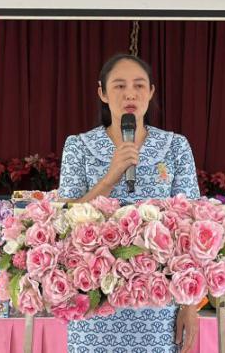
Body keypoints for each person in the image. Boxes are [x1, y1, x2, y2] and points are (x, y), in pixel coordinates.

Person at [58, 54, 201, 353]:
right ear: (102, 93)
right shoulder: (78, 146)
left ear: (151, 92)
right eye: (119, 86)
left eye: (139, 85)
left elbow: (192, 228)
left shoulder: (175, 147)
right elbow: (63, 223)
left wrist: (190, 306)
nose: (130, 94)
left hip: (158, 304)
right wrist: (109, 178)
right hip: (95, 299)